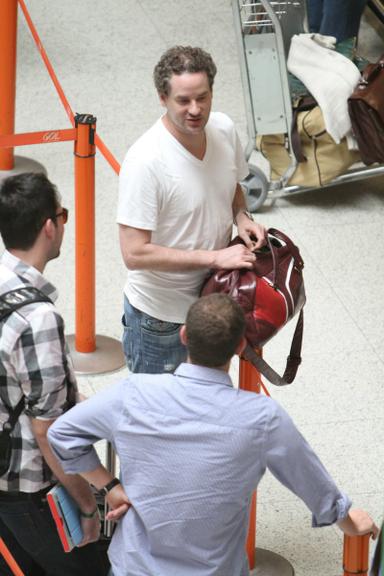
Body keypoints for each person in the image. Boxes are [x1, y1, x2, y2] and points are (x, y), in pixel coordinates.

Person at [47, 293, 378, 576]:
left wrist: (111, 486)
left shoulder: (133, 393)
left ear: (183, 336)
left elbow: (62, 434)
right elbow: (312, 485)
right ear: (240, 346)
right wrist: (351, 524)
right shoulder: (262, 417)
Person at [117, 45, 267, 374]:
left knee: (204, 417)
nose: (195, 110)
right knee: (157, 422)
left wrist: (241, 217)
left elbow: (232, 185)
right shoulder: (145, 161)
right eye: (183, 101)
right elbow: (134, 253)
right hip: (161, 321)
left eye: (203, 97)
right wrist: (215, 258)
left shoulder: (225, 130)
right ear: (162, 98)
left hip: (213, 307)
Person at [0, 173, 107, 576]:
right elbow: (49, 432)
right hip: (29, 489)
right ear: (50, 226)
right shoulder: (38, 318)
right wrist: (87, 504)